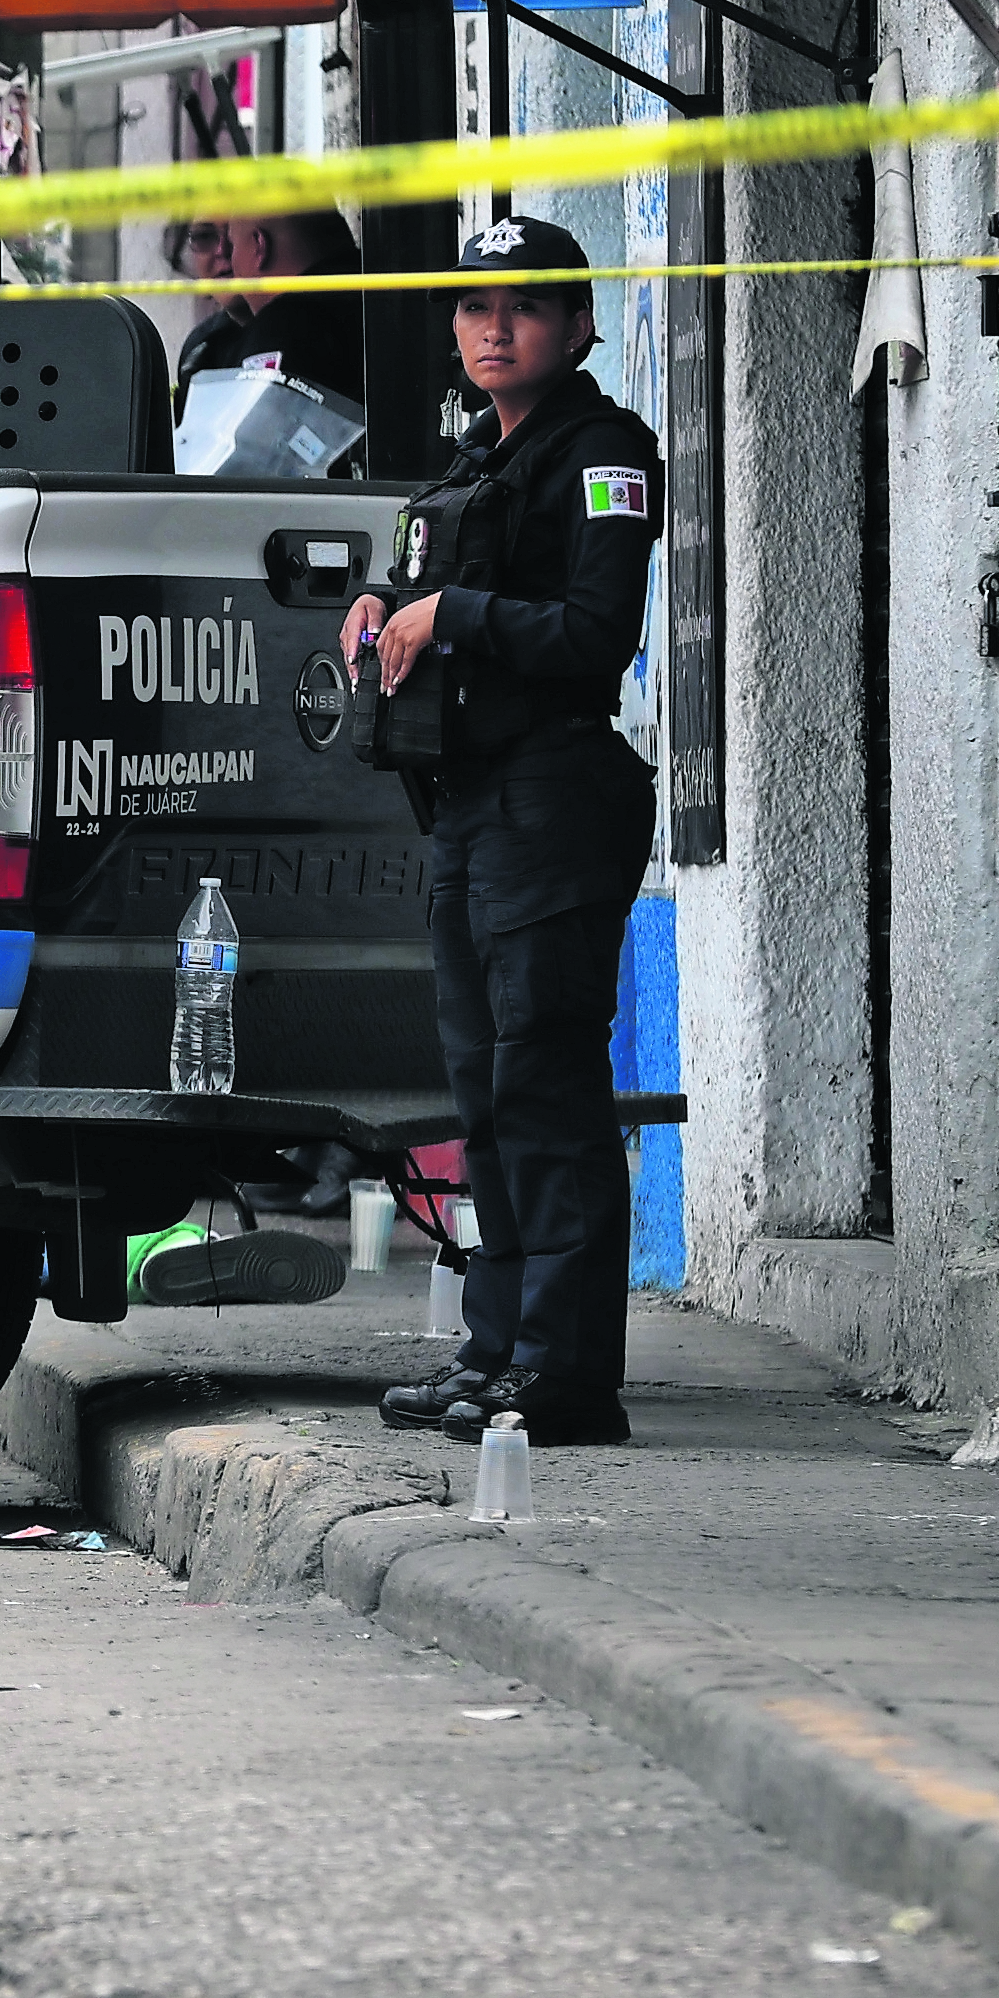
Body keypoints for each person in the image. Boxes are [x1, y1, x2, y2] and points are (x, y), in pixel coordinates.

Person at [340, 218, 662, 1448]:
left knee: (547, 1087)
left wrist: (453, 614)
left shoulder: (602, 454)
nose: (492, 326)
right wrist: (381, 599)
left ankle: (566, 1375)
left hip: (553, 799)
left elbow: (596, 633)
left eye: (522, 307)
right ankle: (496, 1354)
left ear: (575, 328)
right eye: (474, 307)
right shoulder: (473, 455)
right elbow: (418, 558)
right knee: (480, 1092)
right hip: (470, 807)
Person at [165, 203, 377, 452]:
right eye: (204, 237)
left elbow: (251, 467)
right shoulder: (202, 351)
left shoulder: (289, 325)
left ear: (259, 244)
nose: (223, 252)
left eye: (232, 242)